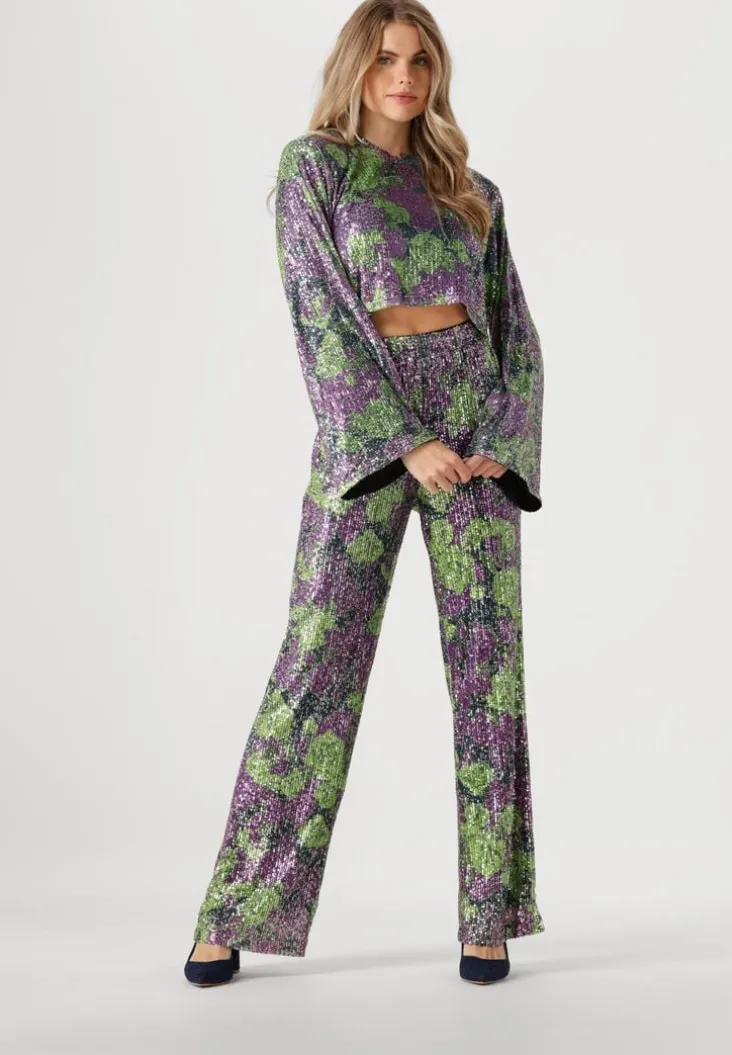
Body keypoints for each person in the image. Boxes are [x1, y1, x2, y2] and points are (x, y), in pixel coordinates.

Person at [184, 0, 545, 989]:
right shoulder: (317, 169)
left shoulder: (472, 190)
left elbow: (515, 330)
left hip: (472, 429)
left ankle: (489, 917)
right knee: (317, 657)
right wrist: (404, 439)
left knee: (490, 672)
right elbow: (320, 315)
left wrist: (497, 442)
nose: (405, 76)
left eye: (421, 60)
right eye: (387, 58)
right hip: (371, 426)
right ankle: (235, 909)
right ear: (357, 65)